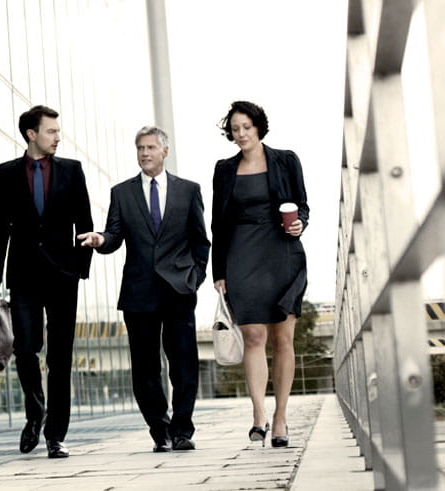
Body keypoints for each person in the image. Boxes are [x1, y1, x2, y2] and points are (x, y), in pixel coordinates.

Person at [79, 127, 209, 452]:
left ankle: (182, 431)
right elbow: (114, 235)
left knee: (183, 365)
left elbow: (200, 241)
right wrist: (100, 240)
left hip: (179, 290)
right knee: (145, 369)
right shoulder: (121, 193)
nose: (145, 153)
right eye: (140, 148)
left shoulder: (188, 190)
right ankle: (159, 430)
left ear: (164, 151)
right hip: (139, 292)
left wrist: (194, 278)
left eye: (151, 147)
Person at [0, 105, 93, 458]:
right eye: (51, 131)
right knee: (25, 350)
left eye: (58, 132)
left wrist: (80, 267)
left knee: (60, 357)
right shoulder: (8, 173)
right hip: (24, 274)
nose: (58, 137)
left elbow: (86, 222)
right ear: (32, 134)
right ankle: (36, 413)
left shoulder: (72, 171)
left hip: (63, 275)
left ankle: (55, 435)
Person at [210, 100, 308, 448]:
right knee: (253, 335)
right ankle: (258, 415)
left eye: (246, 127)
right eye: (235, 129)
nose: (240, 134)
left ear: (258, 127)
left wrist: (299, 225)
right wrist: (218, 270)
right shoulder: (224, 169)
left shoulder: (286, 160)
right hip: (241, 254)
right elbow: (217, 224)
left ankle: (281, 417)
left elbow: (302, 206)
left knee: (283, 338)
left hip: (282, 252)